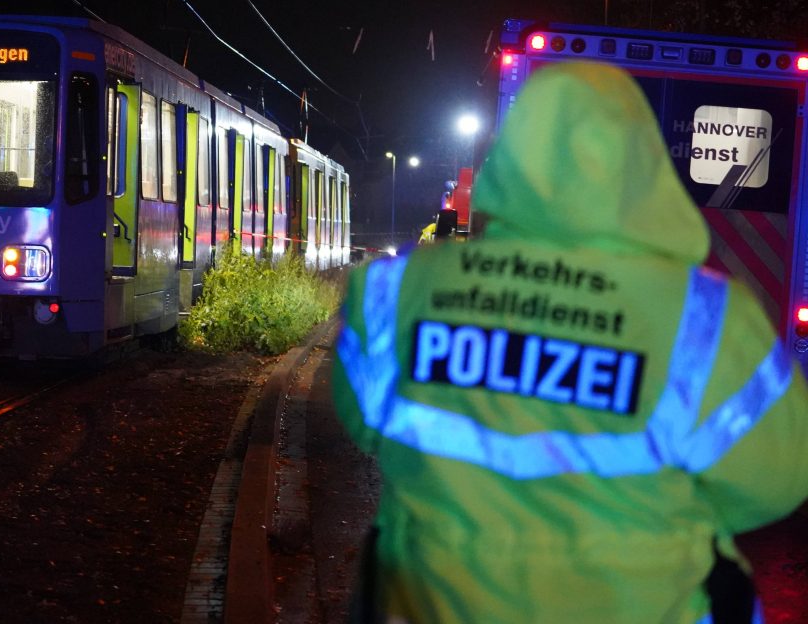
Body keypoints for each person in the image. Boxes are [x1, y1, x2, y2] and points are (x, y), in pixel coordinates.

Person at [333, 61, 808, 623]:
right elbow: (778, 480)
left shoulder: (396, 290)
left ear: (509, 155)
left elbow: (363, 421)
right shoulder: (706, 315)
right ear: (643, 164)